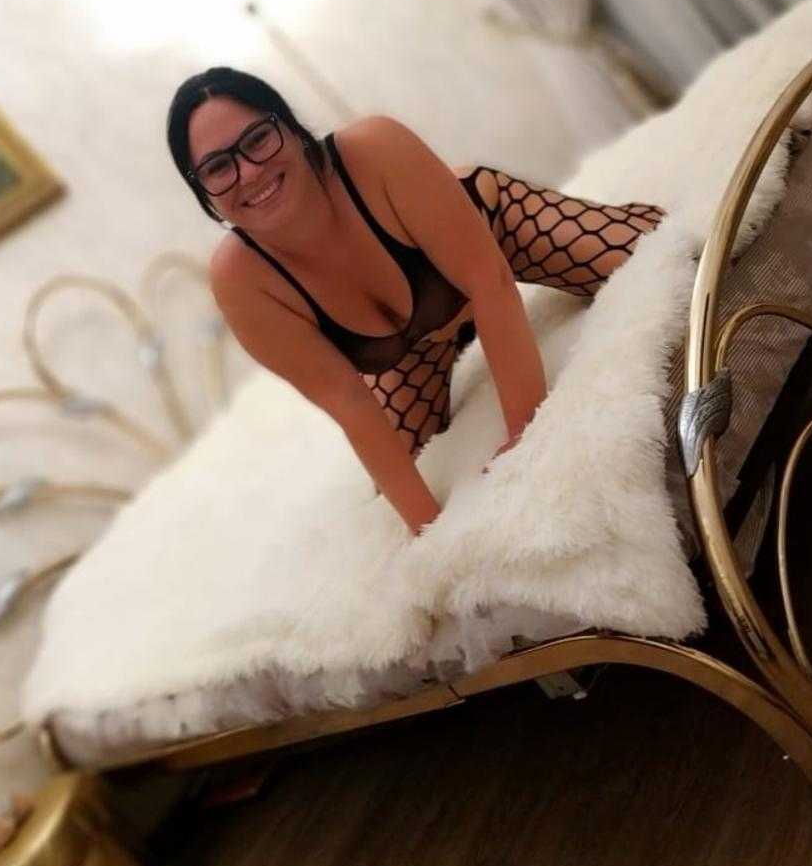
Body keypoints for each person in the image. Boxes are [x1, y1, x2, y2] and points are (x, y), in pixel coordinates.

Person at [167, 67, 664, 537]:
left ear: (290, 128)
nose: (250, 172)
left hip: (493, 237)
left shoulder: (373, 148)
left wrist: (527, 439)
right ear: (201, 191)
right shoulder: (241, 280)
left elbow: (489, 282)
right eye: (218, 167)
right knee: (397, 474)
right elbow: (349, 402)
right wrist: (434, 534)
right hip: (408, 352)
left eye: (257, 139)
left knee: (655, 250)